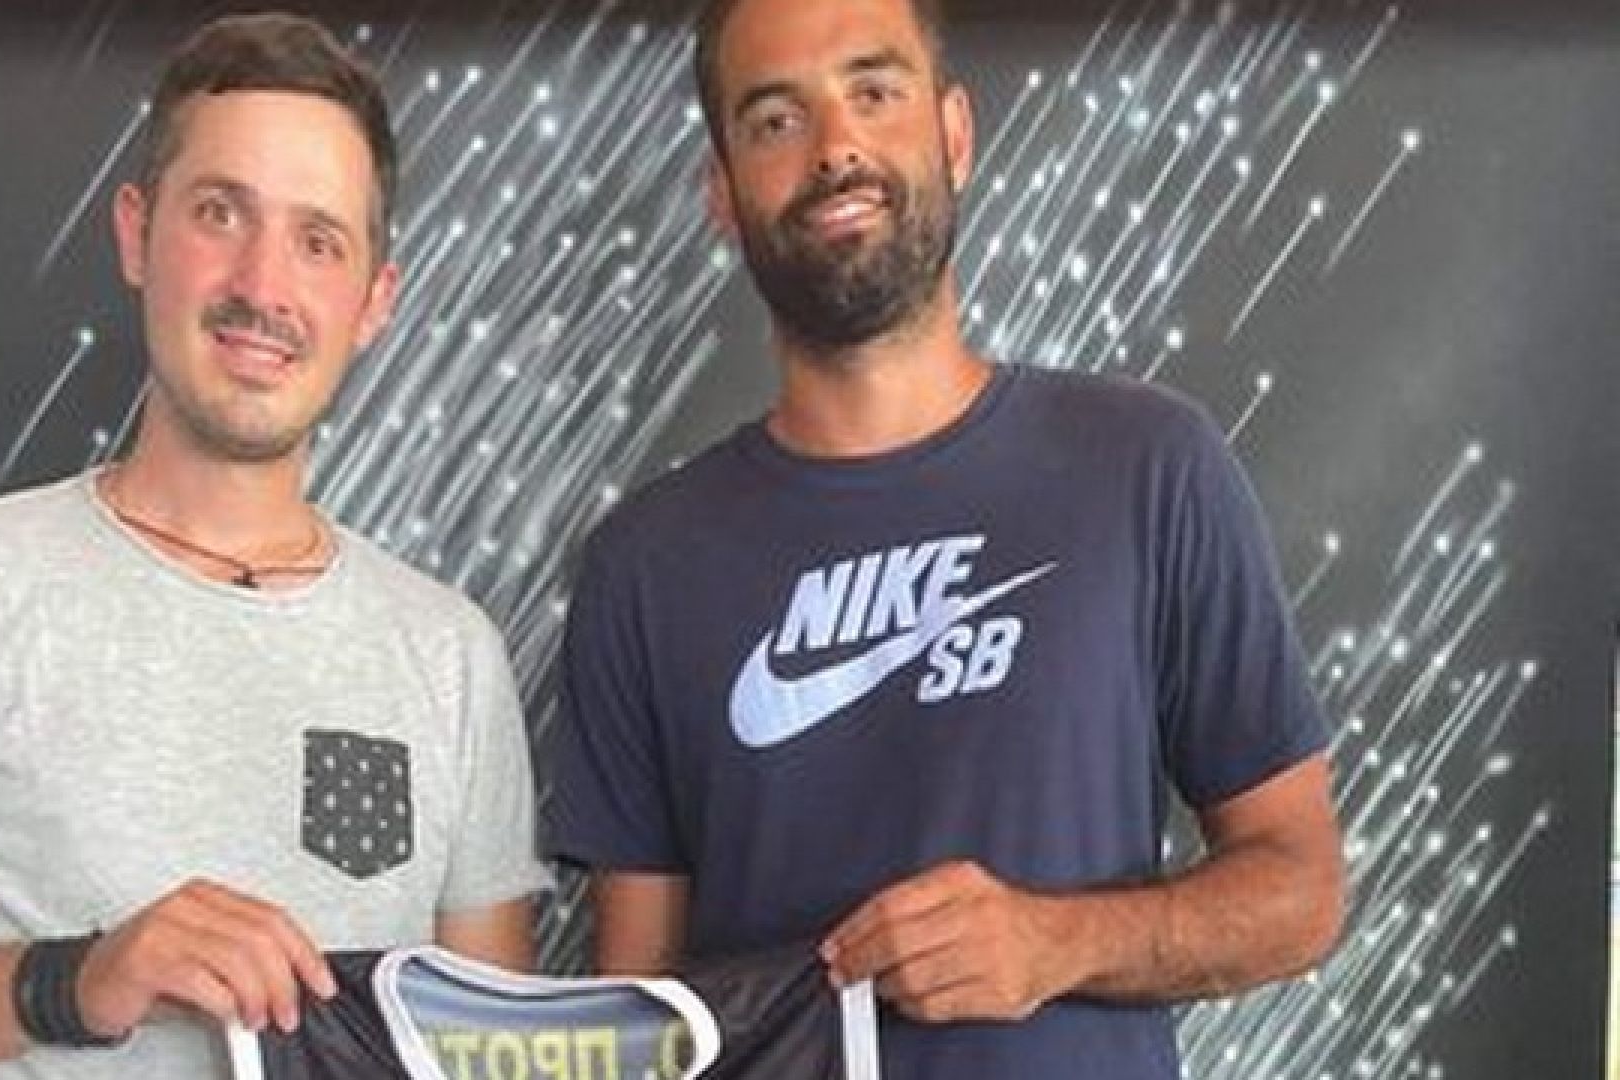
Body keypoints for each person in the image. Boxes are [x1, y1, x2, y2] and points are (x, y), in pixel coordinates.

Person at [0, 13, 545, 1080]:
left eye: (318, 240)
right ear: (134, 233)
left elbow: (494, 1053)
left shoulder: (451, 656)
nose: (263, 286)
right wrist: (72, 982)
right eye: (219, 213)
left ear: (374, 301)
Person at [548, 0, 1344, 1076]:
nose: (836, 148)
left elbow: (1301, 889)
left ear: (955, 133)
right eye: (776, 120)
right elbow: (632, 1022)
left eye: (874, 92)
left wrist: (1059, 942)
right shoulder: (642, 567)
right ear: (722, 195)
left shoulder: (1149, 467)